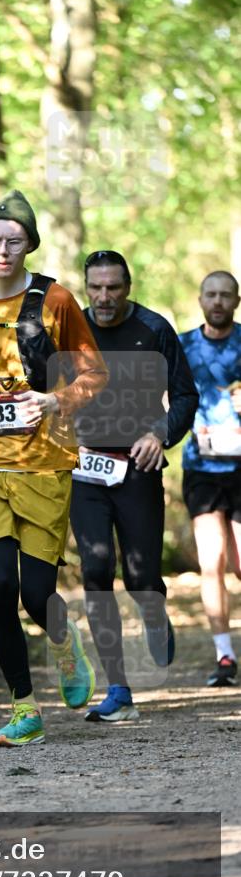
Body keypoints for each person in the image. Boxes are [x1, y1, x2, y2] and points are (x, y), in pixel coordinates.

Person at [0, 189, 108, 747]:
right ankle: (24, 708)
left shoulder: (56, 301)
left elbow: (93, 373)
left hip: (44, 466)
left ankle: (64, 643)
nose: (4, 250)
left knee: (36, 595)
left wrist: (55, 400)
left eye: (14, 241)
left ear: (30, 244)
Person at [69, 250, 199, 723]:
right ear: (86, 287)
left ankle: (154, 611)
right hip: (85, 470)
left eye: (113, 288)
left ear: (128, 287)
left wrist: (159, 433)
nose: (104, 297)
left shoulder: (154, 329)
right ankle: (118, 690)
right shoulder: (70, 332)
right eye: (96, 287)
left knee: (141, 577)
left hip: (138, 467)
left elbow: (185, 396)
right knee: (96, 570)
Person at [179, 270, 241, 687]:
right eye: (211, 295)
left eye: (225, 295)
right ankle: (224, 656)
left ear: (236, 301)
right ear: (201, 299)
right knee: (211, 561)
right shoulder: (183, 345)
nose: (217, 301)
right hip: (201, 466)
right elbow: (166, 397)